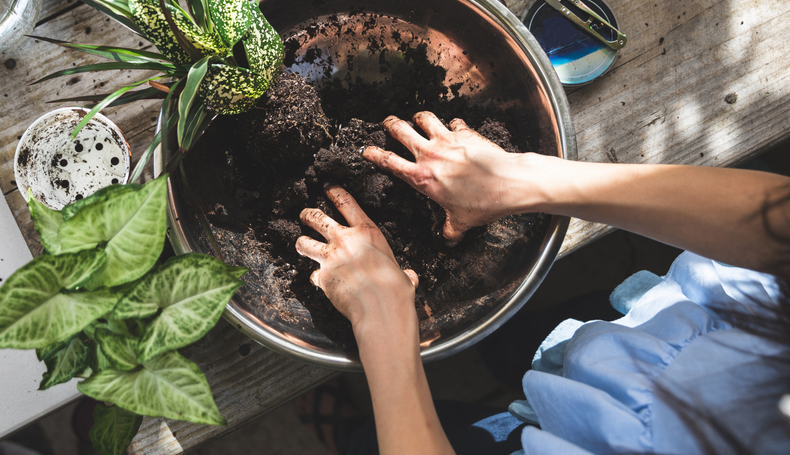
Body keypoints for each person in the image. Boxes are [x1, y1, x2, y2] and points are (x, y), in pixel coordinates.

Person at [296, 112, 790, 455]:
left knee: (375, 444)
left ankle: (349, 434)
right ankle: (502, 357)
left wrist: (381, 317)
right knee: (524, 342)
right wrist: (521, 178)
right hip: (658, 331)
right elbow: (781, 225)